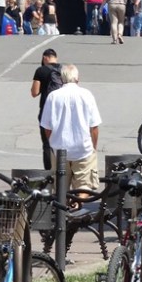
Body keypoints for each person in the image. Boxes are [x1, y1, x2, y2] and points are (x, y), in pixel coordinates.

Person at [40, 64, 101, 194]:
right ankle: (78, 207)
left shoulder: (53, 96)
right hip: (83, 148)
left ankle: (65, 209)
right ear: (77, 78)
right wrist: (93, 146)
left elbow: (46, 127)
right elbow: (94, 127)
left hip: (59, 148)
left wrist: (52, 143)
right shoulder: (86, 95)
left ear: (61, 78)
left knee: (60, 188)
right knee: (84, 186)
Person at [30, 48, 63, 170]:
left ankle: (49, 173)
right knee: (62, 142)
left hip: (46, 111)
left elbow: (34, 92)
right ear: (56, 57)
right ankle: (63, 171)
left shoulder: (41, 70)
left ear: (45, 58)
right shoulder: (64, 70)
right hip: (63, 111)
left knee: (47, 144)